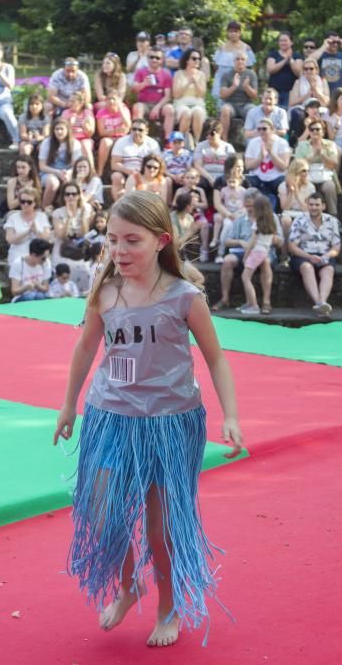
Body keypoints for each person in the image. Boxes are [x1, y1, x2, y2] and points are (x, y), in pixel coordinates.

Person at [53, 190, 243, 648]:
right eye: (113, 240)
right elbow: (85, 349)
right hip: (110, 417)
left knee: (160, 528)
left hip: (168, 423)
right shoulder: (106, 290)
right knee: (101, 512)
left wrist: (230, 415)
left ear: (160, 241)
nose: (119, 251)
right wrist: (68, 403)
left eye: (131, 241)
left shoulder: (184, 296)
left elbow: (216, 359)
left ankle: (168, 605)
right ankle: (126, 585)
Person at [288, 192, 340, 317]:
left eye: (317, 205)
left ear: (323, 206)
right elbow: (291, 246)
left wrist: (327, 255)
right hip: (303, 256)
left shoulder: (332, 221)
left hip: (324, 255)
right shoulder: (299, 220)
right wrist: (309, 257)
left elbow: (336, 246)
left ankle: (322, 302)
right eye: (311, 204)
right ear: (307, 205)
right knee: (307, 268)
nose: (314, 207)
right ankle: (319, 303)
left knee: (328, 270)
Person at [238, 194, 278, 315]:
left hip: (256, 252)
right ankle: (250, 303)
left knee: (245, 277)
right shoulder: (271, 222)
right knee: (247, 277)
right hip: (264, 251)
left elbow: (252, 242)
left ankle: (254, 305)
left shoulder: (257, 222)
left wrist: (246, 255)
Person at [52, 180, 93, 289]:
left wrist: (83, 215)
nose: (71, 197)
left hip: (79, 246)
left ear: (79, 196)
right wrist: (68, 219)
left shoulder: (86, 209)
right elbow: (62, 236)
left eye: (74, 194)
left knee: (85, 268)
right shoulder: (57, 213)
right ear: (63, 196)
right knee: (62, 267)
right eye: (67, 194)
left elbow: (84, 233)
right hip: (63, 247)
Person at [244, 118, 291, 210]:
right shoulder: (253, 143)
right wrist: (260, 157)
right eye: (259, 129)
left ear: (272, 129)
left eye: (264, 129)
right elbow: (248, 166)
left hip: (277, 178)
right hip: (257, 178)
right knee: (246, 182)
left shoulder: (282, 143)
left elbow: (283, 167)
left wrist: (271, 153)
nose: (261, 131)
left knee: (282, 185)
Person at [294, 118, 339, 213]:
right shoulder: (302, 145)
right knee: (307, 186)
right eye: (312, 129)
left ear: (323, 131)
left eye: (317, 129)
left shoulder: (330, 145)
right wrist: (313, 156)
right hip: (306, 176)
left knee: (329, 186)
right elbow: (297, 165)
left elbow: (333, 164)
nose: (314, 131)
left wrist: (322, 155)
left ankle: (333, 215)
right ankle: (306, 214)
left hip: (325, 177)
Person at [110, 119, 160, 201]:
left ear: (146, 131)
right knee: (116, 176)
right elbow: (114, 164)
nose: (136, 132)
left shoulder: (153, 144)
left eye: (140, 130)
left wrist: (145, 172)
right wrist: (129, 171)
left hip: (147, 172)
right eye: (134, 129)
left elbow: (158, 163)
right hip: (126, 172)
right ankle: (118, 206)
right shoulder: (121, 142)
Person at [4, 186, 52, 267]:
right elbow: (9, 239)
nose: (25, 204)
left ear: (35, 203)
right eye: (23, 201)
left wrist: (36, 231)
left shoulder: (42, 216)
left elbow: (47, 238)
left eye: (29, 202)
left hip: (38, 256)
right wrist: (27, 231)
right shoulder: (12, 217)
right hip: (18, 256)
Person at [131, 47, 174, 137]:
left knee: (170, 109)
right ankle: (138, 136)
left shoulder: (166, 74)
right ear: (147, 58)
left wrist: (157, 107)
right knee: (137, 107)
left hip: (160, 104)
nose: (154, 60)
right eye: (151, 57)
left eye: (157, 58)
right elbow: (134, 90)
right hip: (144, 104)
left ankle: (167, 140)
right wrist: (144, 83)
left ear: (162, 60)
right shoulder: (141, 71)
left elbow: (167, 96)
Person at [288, 59, 330, 146]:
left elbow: (327, 101)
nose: (308, 71)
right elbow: (292, 102)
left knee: (326, 114)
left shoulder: (322, 81)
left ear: (316, 70)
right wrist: (307, 94)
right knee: (297, 114)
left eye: (311, 68)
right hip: (303, 107)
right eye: (306, 69)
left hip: (319, 107)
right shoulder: (298, 82)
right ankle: (294, 142)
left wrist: (316, 91)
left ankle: (325, 142)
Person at [212, 20, 255, 100]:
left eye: (236, 31)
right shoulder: (221, 48)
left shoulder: (247, 48)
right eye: (231, 31)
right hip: (222, 81)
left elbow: (250, 67)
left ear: (240, 33)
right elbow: (215, 65)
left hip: (240, 81)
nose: (233, 34)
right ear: (227, 33)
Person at [172, 48, 207, 145]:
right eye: (194, 58)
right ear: (187, 60)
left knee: (197, 112)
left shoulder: (201, 75)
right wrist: (188, 82)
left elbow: (201, 94)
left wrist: (195, 82)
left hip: (197, 103)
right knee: (187, 113)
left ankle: (197, 143)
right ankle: (180, 142)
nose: (197, 61)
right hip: (181, 103)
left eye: (199, 59)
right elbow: (176, 94)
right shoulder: (178, 74)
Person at [94, 89, 131, 178]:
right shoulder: (101, 112)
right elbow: (102, 132)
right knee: (105, 142)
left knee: (122, 142)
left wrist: (120, 108)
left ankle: (125, 172)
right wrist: (115, 131)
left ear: (118, 100)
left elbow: (128, 126)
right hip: (108, 138)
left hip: (122, 138)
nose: (111, 101)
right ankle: (100, 173)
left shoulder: (124, 110)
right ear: (105, 100)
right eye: (109, 99)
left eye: (114, 99)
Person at [266, 31, 303, 108]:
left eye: (285, 40)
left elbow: (298, 73)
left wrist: (291, 61)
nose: (283, 43)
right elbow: (270, 69)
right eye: (281, 41)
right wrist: (284, 61)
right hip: (274, 91)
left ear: (291, 42)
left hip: (291, 92)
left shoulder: (297, 55)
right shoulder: (273, 54)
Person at [18, 93, 49, 158]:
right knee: (24, 147)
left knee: (43, 147)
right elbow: (22, 134)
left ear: (42, 106)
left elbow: (46, 135)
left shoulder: (45, 118)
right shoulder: (23, 117)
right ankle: (25, 164)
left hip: (41, 141)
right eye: (31, 104)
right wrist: (29, 137)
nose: (34, 106)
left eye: (37, 104)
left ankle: (42, 166)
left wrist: (39, 137)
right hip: (27, 140)